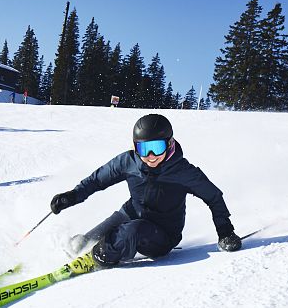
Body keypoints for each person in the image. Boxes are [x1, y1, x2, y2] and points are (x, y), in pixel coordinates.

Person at [50, 113, 242, 267]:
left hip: (163, 234)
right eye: (144, 149)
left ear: (169, 143)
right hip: (130, 214)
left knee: (132, 231)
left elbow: (214, 196)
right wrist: (72, 196)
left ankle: (99, 257)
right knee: (82, 243)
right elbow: (96, 181)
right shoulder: (128, 161)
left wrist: (225, 231)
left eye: (157, 147)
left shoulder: (184, 171)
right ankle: (79, 251)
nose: (150, 156)